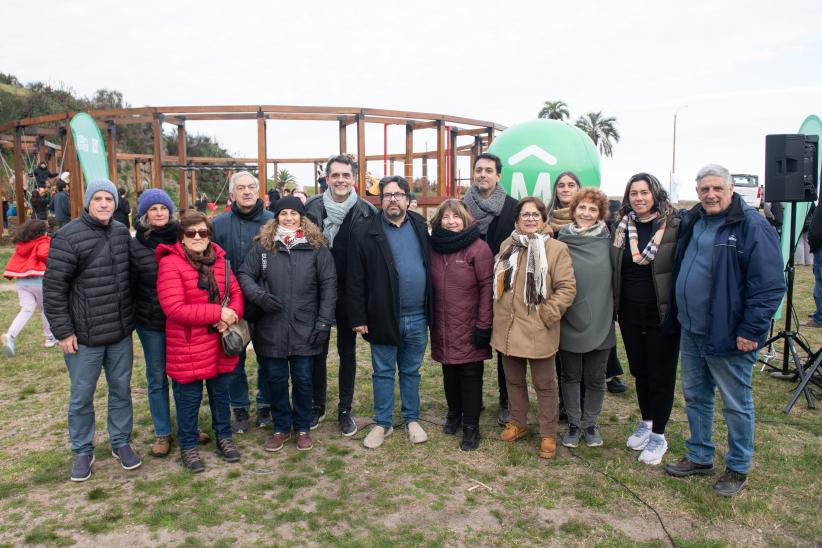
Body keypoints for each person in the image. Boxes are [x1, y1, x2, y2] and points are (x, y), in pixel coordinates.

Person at [665, 164, 784, 496]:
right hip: (691, 328)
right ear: (697, 191)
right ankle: (700, 455)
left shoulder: (752, 226)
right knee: (696, 396)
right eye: (704, 189)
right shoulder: (695, 220)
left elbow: (770, 286)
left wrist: (751, 329)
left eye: (717, 188)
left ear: (731, 189)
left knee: (736, 402)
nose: (711, 195)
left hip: (731, 333)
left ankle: (738, 466)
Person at [43, 178, 140, 482]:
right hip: (83, 337)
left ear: (115, 203)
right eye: (97, 198)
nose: (103, 204)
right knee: (82, 396)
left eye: (108, 199)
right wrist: (63, 332)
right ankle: (83, 449)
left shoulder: (121, 232)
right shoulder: (67, 237)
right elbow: (54, 289)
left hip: (119, 332)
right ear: (87, 202)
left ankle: (121, 441)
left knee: (121, 390)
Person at [238, 196, 337, 452]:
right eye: (284, 214)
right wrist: (259, 297)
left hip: (306, 325)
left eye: (294, 213)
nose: (289, 218)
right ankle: (281, 426)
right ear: (277, 217)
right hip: (271, 326)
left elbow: (329, 285)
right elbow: (245, 274)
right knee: (276, 379)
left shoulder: (316, 247)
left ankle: (302, 426)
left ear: (302, 217)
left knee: (304, 379)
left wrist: (324, 322)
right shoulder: (264, 246)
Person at [347, 175, 432, 449]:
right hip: (382, 314)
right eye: (387, 195)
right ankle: (383, 423)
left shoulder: (419, 225)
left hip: (418, 314)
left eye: (397, 194)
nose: (392, 199)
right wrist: (358, 317)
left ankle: (411, 419)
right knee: (383, 371)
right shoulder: (366, 231)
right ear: (380, 200)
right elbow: (355, 278)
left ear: (407, 199)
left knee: (411, 370)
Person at [156, 210, 244, 472]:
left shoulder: (221, 260)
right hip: (188, 344)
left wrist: (231, 316)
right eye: (191, 232)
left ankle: (224, 437)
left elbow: (236, 292)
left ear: (209, 235)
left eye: (202, 232)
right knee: (189, 399)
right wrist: (217, 313)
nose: (197, 237)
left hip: (219, 342)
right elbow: (174, 308)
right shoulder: (170, 264)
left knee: (220, 394)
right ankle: (189, 446)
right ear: (181, 237)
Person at [491, 197, 576, 459]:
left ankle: (548, 433)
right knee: (513, 380)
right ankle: (518, 422)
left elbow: (566, 288)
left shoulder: (556, 248)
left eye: (535, 214)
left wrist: (546, 315)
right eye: (524, 215)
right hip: (508, 327)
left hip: (539, 327)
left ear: (543, 219)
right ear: (517, 220)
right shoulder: (508, 244)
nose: (529, 219)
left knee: (545, 385)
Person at [611, 172, 682, 465]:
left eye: (644, 192)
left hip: (662, 313)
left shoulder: (673, 225)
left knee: (660, 374)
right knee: (640, 371)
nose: (639, 198)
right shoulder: (621, 227)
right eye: (634, 193)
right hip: (629, 312)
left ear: (655, 194)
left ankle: (659, 436)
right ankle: (647, 421)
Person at [305, 154, 378, 435]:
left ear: (353, 178)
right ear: (326, 178)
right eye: (335, 175)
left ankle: (344, 408)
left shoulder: (366, 211)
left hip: (351, 292)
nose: (340, 180)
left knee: (347, 352)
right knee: (317, 351)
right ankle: (317, 404)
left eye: (346, 175)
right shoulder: (311, 207)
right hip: (317, 291)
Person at [212, 171, 276, 433]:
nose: (247, 191)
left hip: (267, 302)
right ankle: (238, 407)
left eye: (251, 187)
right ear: (232, 195)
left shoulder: (274, 222)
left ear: (259, 191)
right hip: (231, 306)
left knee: (269, 358)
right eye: (241, 188)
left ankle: (265, 404)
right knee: (233, 358)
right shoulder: (218, 224)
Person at [428, 199, 493, 451]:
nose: (451, 221)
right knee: (449, 372)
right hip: (443, 325)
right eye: (446, 217)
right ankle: (454, 414)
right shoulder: (433, 247)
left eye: (456, 216)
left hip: (470, 325)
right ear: (439, 220)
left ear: (466, 218)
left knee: (470, 376)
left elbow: (488, 288)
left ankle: (471, 427)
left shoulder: (479, 248)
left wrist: (483, 325)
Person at [130, 189, 187, 457]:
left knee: (184, 376)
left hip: (181, 319)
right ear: (144, 214)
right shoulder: (136, 245)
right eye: (153, 209)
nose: (159, 212)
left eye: (163, 208)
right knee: (156, 377)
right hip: (151, 320)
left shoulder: (183, 238)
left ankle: (188, 426)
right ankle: (162, 432)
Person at [556, 188, 614, 448]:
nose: (587, 213)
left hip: (601, 317)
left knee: (595, 377)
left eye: (593, 209)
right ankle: (573, 423)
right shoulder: (561, 240)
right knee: (570, 375)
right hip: (569, 317)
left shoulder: (609, 240)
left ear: (600, 213)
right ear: (573, 210)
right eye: (582, 208)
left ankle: (590, 423)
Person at [463, 152, 518, 426]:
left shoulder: (512, 208)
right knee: (470, 343)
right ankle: (471, 397)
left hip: (503, 288)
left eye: (488, 170)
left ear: (498, 175)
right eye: (478, 169)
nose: (482, 174)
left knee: (504, 347)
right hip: (468, 288)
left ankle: (506, 400)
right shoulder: (461, 208)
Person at [1, 219, 55, 357]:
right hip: (40, 280)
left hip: (22, 282)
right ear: (41, 231)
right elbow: (44, 254)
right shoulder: (43, 240)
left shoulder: (22, 243)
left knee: (26, 309)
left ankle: (10, 336)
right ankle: (49, 338)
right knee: (45, 309)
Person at [804, 203, 822, 328]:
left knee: (820, 282)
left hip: (820, 247)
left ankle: (820, 318)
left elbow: (816, 232)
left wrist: (814, 244)